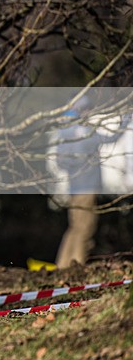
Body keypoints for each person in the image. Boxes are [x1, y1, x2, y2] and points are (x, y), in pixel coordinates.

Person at [54, 99, 130, 268]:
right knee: (85, 228)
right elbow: (111, 138)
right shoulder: (85, 133)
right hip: (86, 188)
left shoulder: (66, 134)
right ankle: (76, 265)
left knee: (75, 227)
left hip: (74, 188)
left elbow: (61, 163)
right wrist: (125, 120)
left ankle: (63, 265)